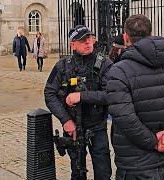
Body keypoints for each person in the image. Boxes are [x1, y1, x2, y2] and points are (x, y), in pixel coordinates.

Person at [106, 14, 164, 179]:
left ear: (125, 37)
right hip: (163, 157)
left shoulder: (118, 71)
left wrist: (157, 142)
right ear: (150, 34)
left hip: (135, 163)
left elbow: (125, 118)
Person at [44, 25, 112, 180]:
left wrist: (82, 96)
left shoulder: (104, 64)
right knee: (77, 172)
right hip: (73, 127)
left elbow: (110, 95)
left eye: (90, 38)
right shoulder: (63, 65)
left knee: (103, 172)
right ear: (72, 45)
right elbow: (49, 93)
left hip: (97, 126)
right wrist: (65, 120)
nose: (88, 43)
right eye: (82, 40)